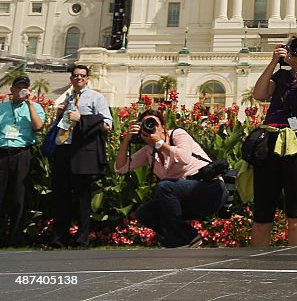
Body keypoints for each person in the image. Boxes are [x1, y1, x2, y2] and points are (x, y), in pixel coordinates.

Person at [249, 33, 297, 247]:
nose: (296, 50)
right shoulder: (280, 77)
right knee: (262, 215)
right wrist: (274, 61)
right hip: (270, 141)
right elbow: (259, 94)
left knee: (296, 213)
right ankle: (255, 263)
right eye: (293, 45)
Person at [114, 109, 226, 248]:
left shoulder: (177, 134)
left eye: (153, 123)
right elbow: (121, 168)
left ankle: (180, 239)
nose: (150, 127)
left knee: (165, 186)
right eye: (145, 124)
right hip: (185, 199)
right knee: (144, 212)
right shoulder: (149, 151)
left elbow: (184, 157)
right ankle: (188, 238)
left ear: (163, 127)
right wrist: (126, 140)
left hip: (210, 190)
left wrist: (159, 143)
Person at [49, 64, 111, 248]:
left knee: (83, 198)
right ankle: (59, 238)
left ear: (87, 78)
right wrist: (60, 115)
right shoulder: (67, 98)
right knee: (61, 196)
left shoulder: (96, 98)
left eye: (82, 76)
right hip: (63, 150)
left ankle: (82, 239)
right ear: (71, 79)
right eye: (76, 76)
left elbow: (107, 124)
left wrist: (81, 119)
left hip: (82, 153)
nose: (79, 78)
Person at [0, 74, 43, 247]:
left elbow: (38, 126)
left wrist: (30, 103)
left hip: (22, 154)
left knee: (18, 198)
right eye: (18, 87)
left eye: (24, 87)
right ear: (11, 90)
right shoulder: (2, 108)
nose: (21, 90)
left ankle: (15, 238)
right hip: (2, 153)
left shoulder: (35, 107)